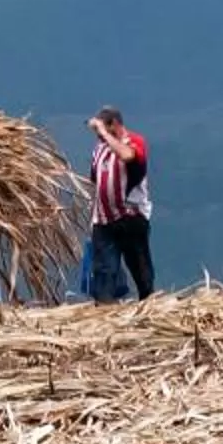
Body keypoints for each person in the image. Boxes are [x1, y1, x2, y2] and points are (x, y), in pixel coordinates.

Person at [81, 107, 154, 301]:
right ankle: (104, 309)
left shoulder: (133, 141)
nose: (98, 135)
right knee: (104, 271)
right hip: (104, 220)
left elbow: (128, 156)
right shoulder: (99, 149)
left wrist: (105, 133)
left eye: (102, 129)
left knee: (140, 270)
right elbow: (96, 181)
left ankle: (147, 305)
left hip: (131, 217)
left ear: (114, 124)